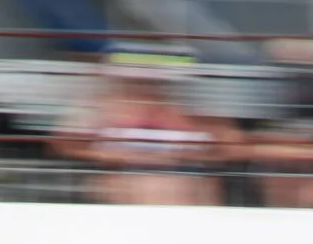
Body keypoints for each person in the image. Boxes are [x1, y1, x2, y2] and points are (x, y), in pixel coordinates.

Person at [51, 52, 236, 206]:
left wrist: (182, 155)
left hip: (190, 192)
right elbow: (66, 143)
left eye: (154, 77)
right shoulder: (102, 106)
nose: (147, 81)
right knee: (149, 184)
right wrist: (125, 156)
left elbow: (230, 146)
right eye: (140, 78)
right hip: (126, 188)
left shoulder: (192, 109)